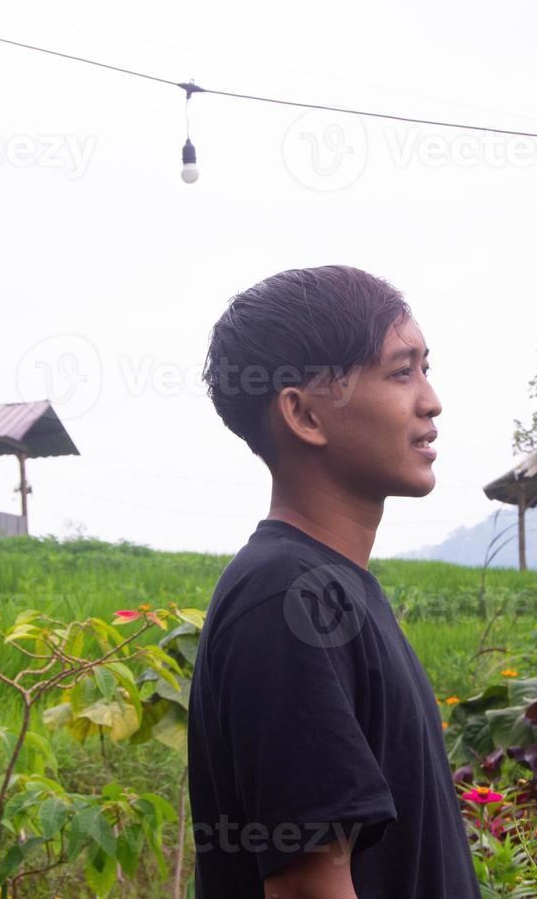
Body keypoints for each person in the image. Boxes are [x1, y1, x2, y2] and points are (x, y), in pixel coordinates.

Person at [188, 266, 481, 898]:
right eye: (401, 372)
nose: (430, 400)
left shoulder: (333, 590)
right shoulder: (287, 600)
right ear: (303, 414)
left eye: (426, 369)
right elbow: (307, 889)